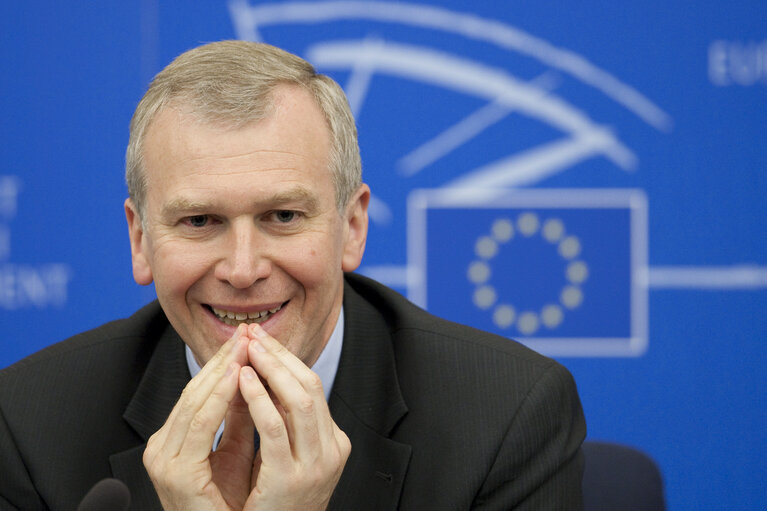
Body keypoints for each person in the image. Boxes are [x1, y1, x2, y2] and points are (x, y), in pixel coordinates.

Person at [0, 41, 586, 510]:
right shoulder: (30, 425)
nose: (243, 269)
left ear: (352, 227)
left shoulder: (506, 416)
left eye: (283, 216)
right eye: (200, 220)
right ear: (140, 240)